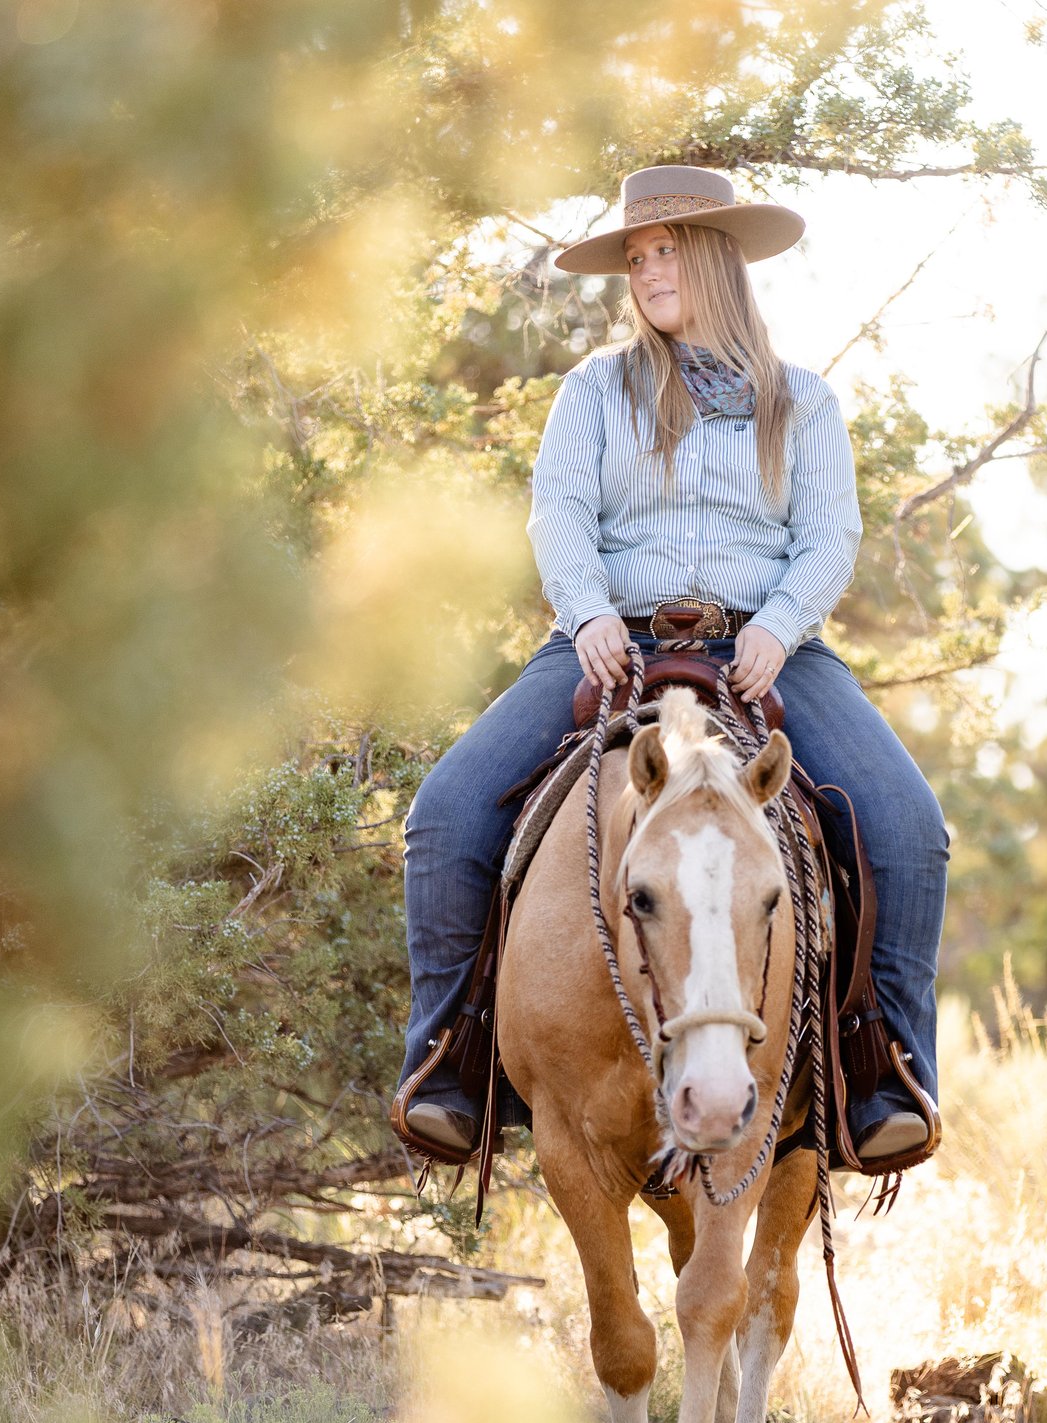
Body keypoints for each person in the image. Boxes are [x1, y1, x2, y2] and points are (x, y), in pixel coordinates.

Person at [396, 164, 947, 1166]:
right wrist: (590, 613)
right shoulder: (595, 390)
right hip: (610, 638)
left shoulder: (803, 402)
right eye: (635, 256)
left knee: (906, 825)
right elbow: (559, 511)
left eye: (667, 250)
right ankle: (453, 1059)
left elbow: (830, 532)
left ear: (718, 260)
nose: (647, 270)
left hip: (765, 648)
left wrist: (778, 625)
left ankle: (884, 1069)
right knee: (447, 811)